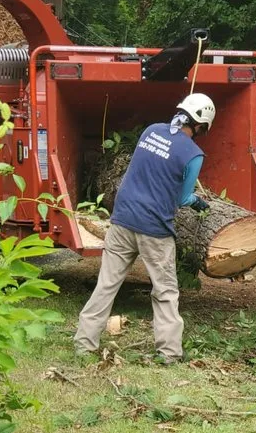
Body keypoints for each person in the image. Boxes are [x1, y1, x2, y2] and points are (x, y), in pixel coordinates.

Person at [74, 93, 216, 363]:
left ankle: (84, 343)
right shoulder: (194, 154)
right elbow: (182, 198)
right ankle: (169, 352)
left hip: (123, 219)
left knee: (106, 284)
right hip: (154, 229)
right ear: (201, 125)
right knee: (164, 291)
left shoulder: (151, 131)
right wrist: (198, 202)